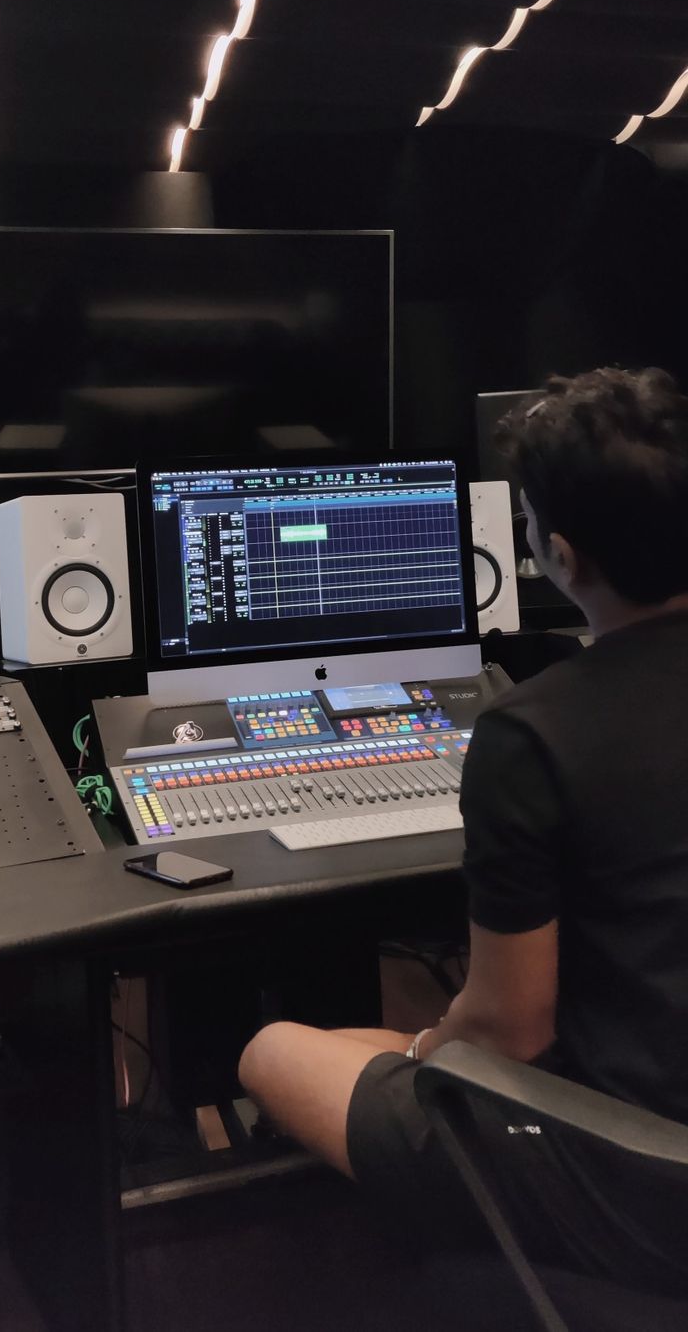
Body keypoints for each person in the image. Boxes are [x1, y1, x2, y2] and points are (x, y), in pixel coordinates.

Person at [238, 366, 688, 1288]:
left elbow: (509, 1031)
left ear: (560, 556)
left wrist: (426, 1054)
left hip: (639, 1180)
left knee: (276, 1048)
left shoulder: (534, 733)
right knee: (378, 1045)